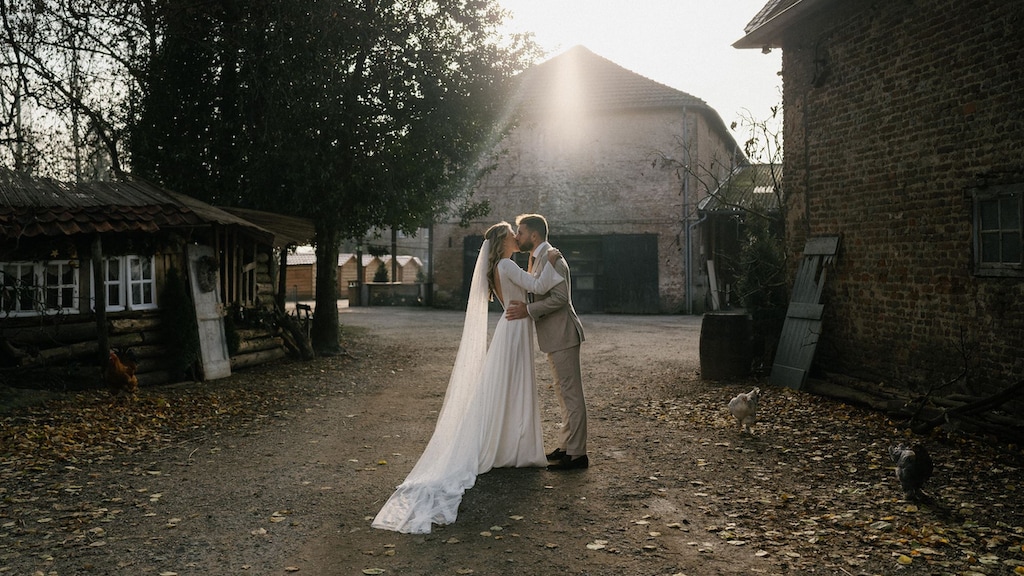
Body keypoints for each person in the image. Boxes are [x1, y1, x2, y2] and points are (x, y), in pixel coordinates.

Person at [371, 221, 565, 534]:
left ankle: (510, 444)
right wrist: (553, 263)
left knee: (509, 388)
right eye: (513, 235)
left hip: (512, 328)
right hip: (514, 331)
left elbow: (526, 287)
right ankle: (511, 445)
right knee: (510, 388)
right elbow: (538, 286)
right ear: (504, 241)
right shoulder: (505, 264)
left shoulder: (505, 264)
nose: (518, 237)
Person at [506, 213, 588, 471]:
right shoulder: (537, 258)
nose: (517, 237)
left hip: (563, 334)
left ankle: (577, 455)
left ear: (534, 234)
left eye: (520, 232)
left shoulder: (552, 258)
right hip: (554, 336)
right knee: (563, 393)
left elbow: (561, 299)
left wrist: (528, 311)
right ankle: (566, 447)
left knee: (571, 394)